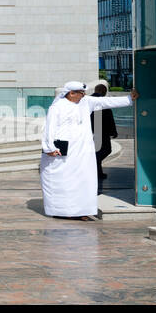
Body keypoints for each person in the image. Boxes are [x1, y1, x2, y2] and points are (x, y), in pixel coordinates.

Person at [39, 80, 137, 220]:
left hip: (82, 151)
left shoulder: (86, 102)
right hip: (62, 152)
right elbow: (49, 128)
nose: (83, 95)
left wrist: (129, 98)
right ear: (71, 93)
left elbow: (105, 102)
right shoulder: (57, 107)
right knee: (64, 182)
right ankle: (63, 211)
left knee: (84, 180)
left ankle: (80, 211)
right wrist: (49, 147)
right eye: (80, 93)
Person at [91, 81, 118, 184]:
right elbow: (108, 117)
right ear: (103, 91)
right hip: (101, 130)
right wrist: (113, 131)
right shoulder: (103, 100)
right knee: (106, 150)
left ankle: (98, 171)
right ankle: (95, 167)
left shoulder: (88, 99)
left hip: (90, 130)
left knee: (98, 151)